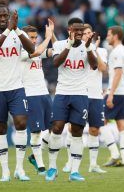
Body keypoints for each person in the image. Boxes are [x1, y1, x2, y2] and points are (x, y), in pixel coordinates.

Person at [0, 4, 35, 182]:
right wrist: (7, 31)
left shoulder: (17, 33)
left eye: (6, 16)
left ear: (10, 16)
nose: (3, 19)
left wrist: (17, 29)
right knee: (1, 128)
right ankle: (5, 171)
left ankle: (19, 168)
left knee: (21, 123)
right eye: (0, 16)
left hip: (16, 88)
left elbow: (32, 50)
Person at [46, 18, 97, 182]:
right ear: (70, 30)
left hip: (81, 94)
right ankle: (52, 168)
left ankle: (74, 172)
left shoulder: (87, 46)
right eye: (76, 30)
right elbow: (55, 62)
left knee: (77, 131)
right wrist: (69, 44)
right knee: (57, 128)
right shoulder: (60, 45)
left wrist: (89, 47)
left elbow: (95, 65)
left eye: (81, 31)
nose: (79, 33)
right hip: (62, 93)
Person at [62, 24, 107, 174]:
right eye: (85, 33)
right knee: (73, 128)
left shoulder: (101, 51)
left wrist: (94, 49)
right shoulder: (75, 49)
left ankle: (93, 164)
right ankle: (69, 162)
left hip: (95, 95)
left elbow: (102, 68)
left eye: (89, 33)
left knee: (94, 129)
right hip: (79, 93)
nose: (87, 35)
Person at [20, 19, 56, 176]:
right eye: (31, 38)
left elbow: (54, 51)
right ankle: (41, 166)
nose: (34, 40)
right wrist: (47, 38)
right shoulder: (21, 52)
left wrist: (53, 37)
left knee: (55, 129)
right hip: (30, 95)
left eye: (35, 38)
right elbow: (38, 52)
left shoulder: (37, 49)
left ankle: (34, 156)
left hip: (44, 94)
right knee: (35, 132)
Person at [101, 26, 124, 167]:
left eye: (108, 35)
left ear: (116, 36)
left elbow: (118, 73)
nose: (107, 37)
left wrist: (110, 93)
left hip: (117, 92)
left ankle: (114, 154)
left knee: (100, 120)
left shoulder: (116, 52)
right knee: (122, 124)